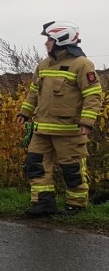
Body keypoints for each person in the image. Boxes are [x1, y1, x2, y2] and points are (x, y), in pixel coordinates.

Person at [16, 21, 103, 216]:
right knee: (35, 165)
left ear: (61, 41)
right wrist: (24, 112)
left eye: (49, 39)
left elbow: (93, 94)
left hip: (69, 131)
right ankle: (43, 204)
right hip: (42, 129)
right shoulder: (43, 65)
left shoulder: (82, 64)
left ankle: (76, 205)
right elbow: (33, 92)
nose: (46, 43)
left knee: (72, 169)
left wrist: (87, 122)